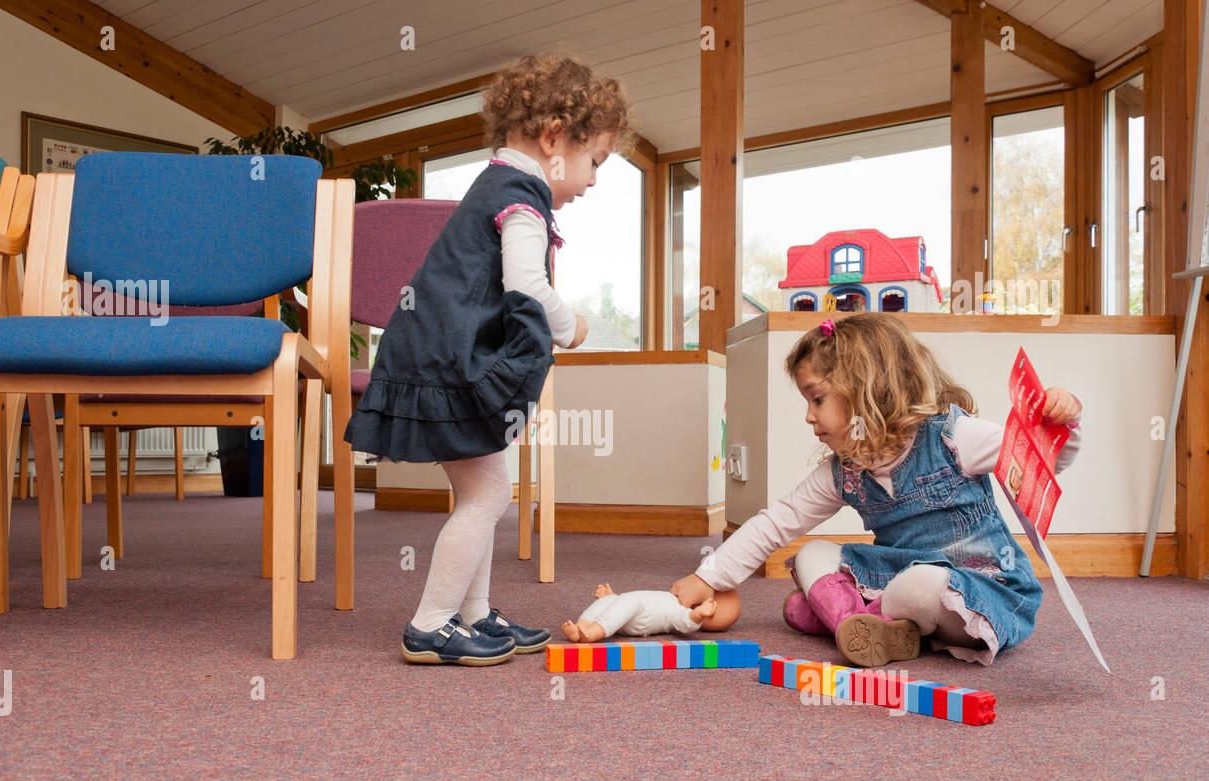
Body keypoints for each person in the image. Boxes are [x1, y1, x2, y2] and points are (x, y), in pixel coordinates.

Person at [344, 53, 633, 665]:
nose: (593, 180)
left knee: (487, 489)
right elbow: (527, 286)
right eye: (595, 162)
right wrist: (572, 325)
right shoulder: (521, 197)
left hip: (437, 361)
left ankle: (472, 614)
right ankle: (430, 625)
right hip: (444, 368)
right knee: (488, 495)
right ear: (555, 138)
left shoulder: (497, 185)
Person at [670, 312, 1084, 668]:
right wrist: (706, 576)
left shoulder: (954, 437)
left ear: (868, 389)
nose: (809, 417)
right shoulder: (845, 471)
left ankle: (849, 616)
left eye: (817, 399)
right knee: (815, 553)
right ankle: (870, 627)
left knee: (922, 584)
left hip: (980, 592)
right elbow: (775, 523)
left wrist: (1060, 424)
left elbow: (1039, 466)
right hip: (896, 577)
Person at [562, 583, 741, 642]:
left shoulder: (677, 610)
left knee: (628, 601)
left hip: (640, 617)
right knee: (609, 602)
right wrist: (611, 597)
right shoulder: (670, 597)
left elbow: (686, 623)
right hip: (626, 611)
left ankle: (592, 633)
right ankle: (580, 627)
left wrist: (698, 615)